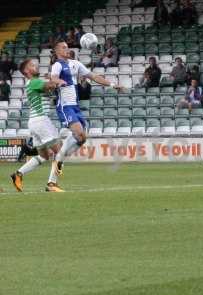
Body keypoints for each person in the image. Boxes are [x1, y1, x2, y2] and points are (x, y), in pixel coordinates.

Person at [50, 41, 125, 174]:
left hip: (76, 107)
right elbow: (53, 78)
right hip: (65, 106)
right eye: (63, 47)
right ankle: (58, 157)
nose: (67, 49)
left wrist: (113, 85)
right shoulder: (57, 65)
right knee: (78, 132)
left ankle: (60, 158)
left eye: (67, 47)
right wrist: (59, 81)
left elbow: (94, 77)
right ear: (57, 51)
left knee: (82, 138)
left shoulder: (76, 64)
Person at [10, 58, 65, 192]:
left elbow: (48, 89)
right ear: (27, 71)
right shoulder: (35, 82)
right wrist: (55, 79)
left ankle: (18, 174)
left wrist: (51, 81)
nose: (36, 67)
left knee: (44, 156)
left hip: (34, 122)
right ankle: (52, 183)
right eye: (32, 65)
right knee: (60, 151)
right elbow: (51, 86)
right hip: (41, 121)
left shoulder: (32, 83)